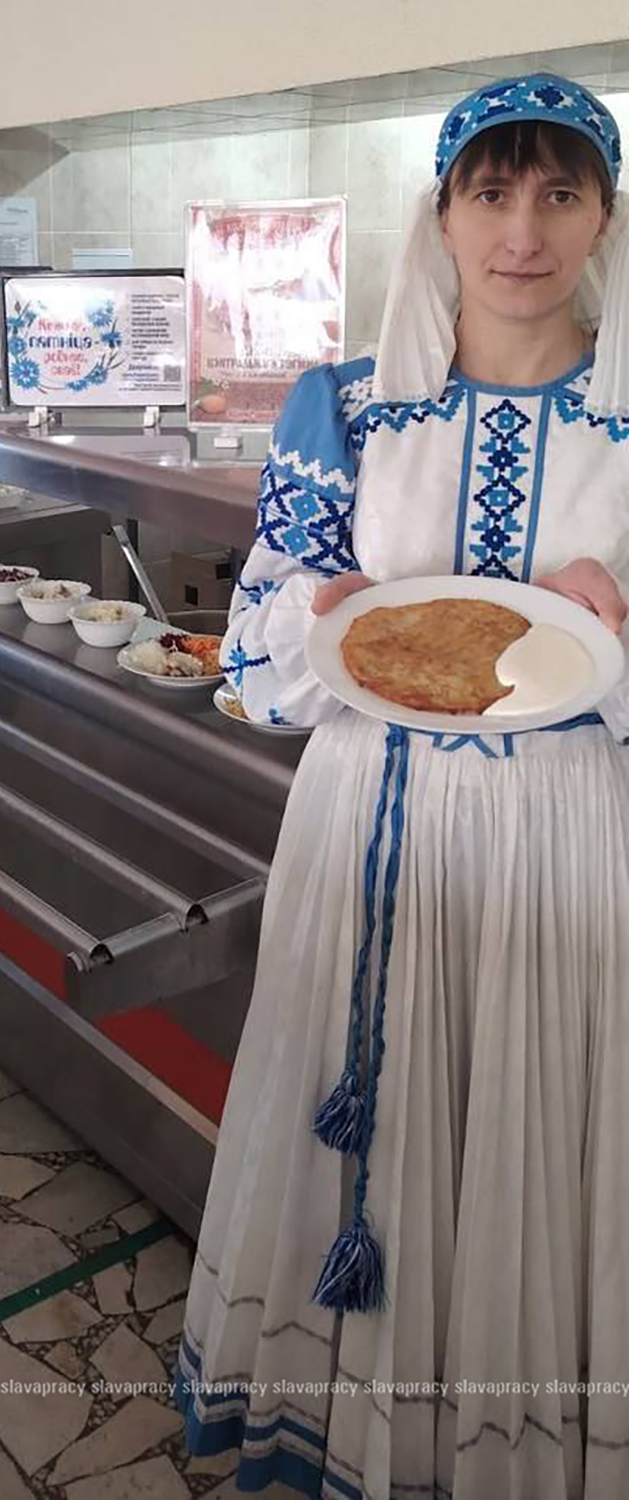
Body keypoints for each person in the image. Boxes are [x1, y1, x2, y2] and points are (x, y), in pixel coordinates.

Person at [174, 73, 629, 1500]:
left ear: (607, 218)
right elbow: (256, 654)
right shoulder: (348, 408)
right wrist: (318, 613)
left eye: (560, 193)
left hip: (563, 829)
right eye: (490, 193)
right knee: (365, 1124)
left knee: (531, 1138)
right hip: (368, 820)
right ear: (441, 215)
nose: (522, 231)